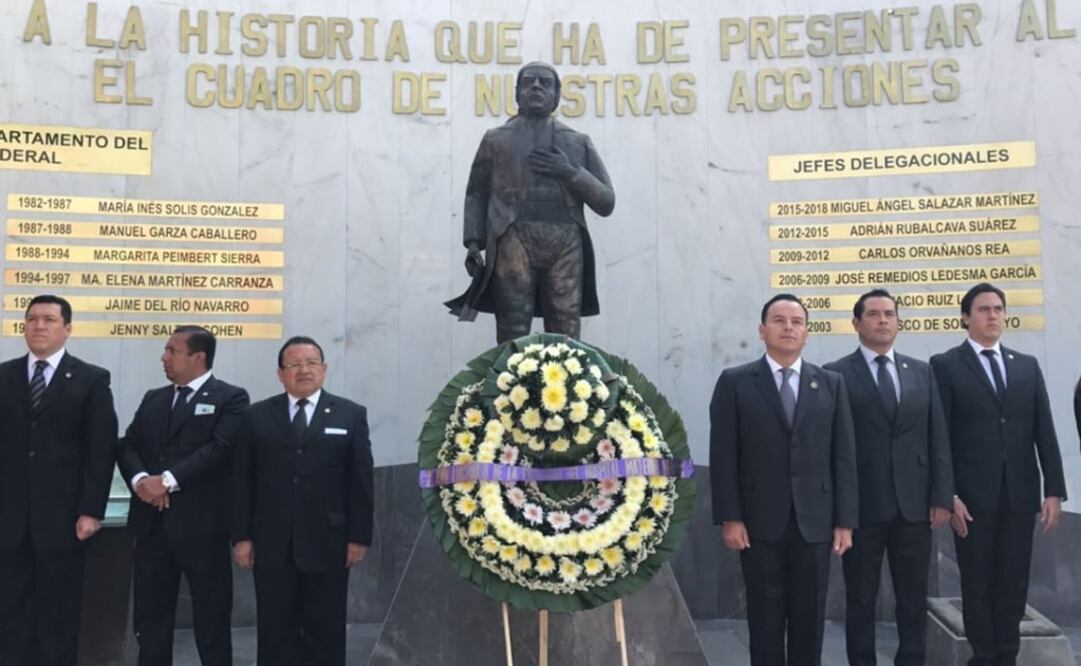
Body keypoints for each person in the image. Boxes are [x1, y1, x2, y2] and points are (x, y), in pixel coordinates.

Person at [710, 293, 858, 666]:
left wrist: (845, 521)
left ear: (807, 333)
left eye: (796, 322)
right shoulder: (736, 382)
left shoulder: (831, 384)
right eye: (779, 320)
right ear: (762, 331)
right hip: (758, 521)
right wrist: (731, 516)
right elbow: (724, 455)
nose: (788, 328)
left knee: (810, 619)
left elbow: (843, 457)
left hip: (815, 520)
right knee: (764, 617)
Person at [930, 283, 1067, 666]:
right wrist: (949, 494)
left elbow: (1044, 430)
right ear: (965, 317)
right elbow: (940, 436)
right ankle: (984, 657)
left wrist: (1054, 490)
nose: (993, 315)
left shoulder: (1025, 365)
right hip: (971, 500)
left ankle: (1007, 657)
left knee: (1012, 584)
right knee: (977, 584)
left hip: (1020, 496)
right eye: (984, 309)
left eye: (998, 309)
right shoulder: (946, 366)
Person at [824, 289, 953, 666]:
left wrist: (942, 496)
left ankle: (911, 660)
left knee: (913, 597)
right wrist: (840, 511)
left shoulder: (922, 371)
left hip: (914, 507)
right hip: (861, 506)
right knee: (861, 598)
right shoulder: (836, 374)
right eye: (875, 314)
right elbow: (833, 447)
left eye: (890, 314)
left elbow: (938, 437)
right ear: (856, 323)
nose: (883, 320)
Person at [445, 61, 616, 342]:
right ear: (517, 93)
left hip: (565, 241)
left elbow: (606, 201)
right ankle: (511, 386)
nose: (536, 86)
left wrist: (569, 172)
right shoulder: (496, 139)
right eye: (529, 82)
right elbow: (476, 192)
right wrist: (473, 242)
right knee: (512, 326)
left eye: (544, 83)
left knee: (565, 332)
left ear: (557, 96)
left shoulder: (577, 142)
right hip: (513, 238)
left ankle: (567, 387)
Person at [231, 336, 374, 666]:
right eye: (294, 365)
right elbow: (241, 482)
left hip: (330, 543)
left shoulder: (350, 415)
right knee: (274, 630)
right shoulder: (255, 417)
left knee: (325, 631)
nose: (303, 370)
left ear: (324, 370)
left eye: (311, 363)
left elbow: (360, 482)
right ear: (280, 374)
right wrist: (241, 537)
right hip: (271, 545)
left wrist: (358, 537)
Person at [116, 325, 249, 665]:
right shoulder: (154, 398)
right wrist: (144, 481)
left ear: (198, 357)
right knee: (151, 618)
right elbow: (128, 445)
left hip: (202, 528)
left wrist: (169, 481)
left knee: (211, 616)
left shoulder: (230, 398)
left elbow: (219, 449)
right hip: (152, 527)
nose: (164, 357)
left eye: (172, 350)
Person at [0, 295, 117, 666]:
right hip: (9, 519)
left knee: (57, 612)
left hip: (64, 520)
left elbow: (101, 450)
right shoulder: (3, 376)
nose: (39, 326)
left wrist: (91, 510)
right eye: (32, 318)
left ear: (67, 329)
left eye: (49, 319)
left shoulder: (91, 380)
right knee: (10, 613)